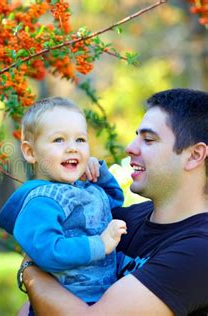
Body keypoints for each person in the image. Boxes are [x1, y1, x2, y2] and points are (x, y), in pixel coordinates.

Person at [19, 88, 208, 315]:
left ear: (195, 155)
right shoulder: (121, 219)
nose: (130, 147)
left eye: (148, 139)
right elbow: (37, 304)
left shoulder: (198, 250)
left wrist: (30, 269)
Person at [0, 97, 127, 315]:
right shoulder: (42, 201)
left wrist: (99, 173)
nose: (72, 149)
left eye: (80, 140)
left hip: (100, 301)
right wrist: (99, 245)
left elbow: (113, 200)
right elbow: (48, 251)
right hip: (60, 306)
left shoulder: (86, 190)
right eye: (59, 140)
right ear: (30, 152)